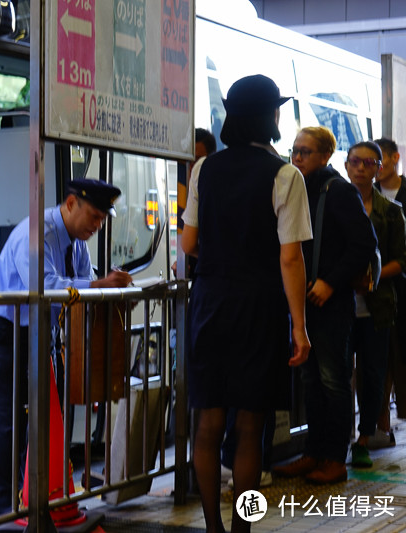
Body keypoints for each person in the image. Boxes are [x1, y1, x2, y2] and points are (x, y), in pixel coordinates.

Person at [181, 74, 311, 533]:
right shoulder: (285, 174)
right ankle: (242, 531)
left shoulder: (204, 169)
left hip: (210, 301)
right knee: (251, 429)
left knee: (208, 423)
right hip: (259, 304)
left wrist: (222, 253)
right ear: (268, 116)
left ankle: (213, 528)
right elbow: (290, 257)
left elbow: (189, 241)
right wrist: (299, 326)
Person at [0, 178, 132, 516]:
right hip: (4, 330)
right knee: (7, 422)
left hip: (38, 333)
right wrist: (100, 285)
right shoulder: (38, 233)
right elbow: (45, 287)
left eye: (102, 220)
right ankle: (3, 510)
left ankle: (33, 499)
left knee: (40, 419)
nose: (97, 226)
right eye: (93, 216)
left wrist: (112, 292)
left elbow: (85, 286)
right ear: (71, 204)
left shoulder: (76, 243)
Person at [273, 126, 377, 484]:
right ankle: (313, 453)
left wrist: (330, 281)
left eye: (304, 152)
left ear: (325, 156)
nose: (296, 158)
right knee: (311, 381)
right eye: (294, 151)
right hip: (302, 302)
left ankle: (335, 458)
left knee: (333, 381)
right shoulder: (297, 187)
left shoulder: (338, 191)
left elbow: (364, 243)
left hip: (330, 304)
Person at [346, 141, 406, 467]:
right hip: (338, 303)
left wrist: (372, 276)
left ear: (379, 168)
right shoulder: (333, 204)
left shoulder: (392, 213)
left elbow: (402, 260)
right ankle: (331, 440)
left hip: (377, 305)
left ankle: (364, 437)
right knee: (339, 374)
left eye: (368, 163)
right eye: (355, 161)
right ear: (345, 164)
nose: (360, 168)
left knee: (372, 374)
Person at [373, 137, 406, 446]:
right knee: (379, 360)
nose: (376, 168)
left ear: (395, 158)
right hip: (376, 294)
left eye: (381, 160)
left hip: (400, 286)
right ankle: (381, 423)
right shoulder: (363, 197)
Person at [174, 127, 216, 279]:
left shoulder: (214, 195)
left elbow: (190, 244)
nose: (191, 167)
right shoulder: (183, 189)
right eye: (188, 161)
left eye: (197, 161)